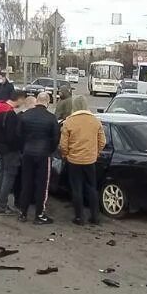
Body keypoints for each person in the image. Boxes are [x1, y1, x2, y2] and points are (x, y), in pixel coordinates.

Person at [59, 96, 106, 225]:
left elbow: (63, 145)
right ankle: (95, 217)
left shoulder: (69, 122)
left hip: (74, 161)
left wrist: (66, 155)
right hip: (90, 161)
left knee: (77, 189)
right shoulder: (95, 121)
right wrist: (95, 153)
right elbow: (102, 142)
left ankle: (79, 217)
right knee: (92, 188)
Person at [18, 91, 60, 225]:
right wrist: (50, 150)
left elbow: (19, 135)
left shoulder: (25, 116)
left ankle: (23, 212)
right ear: (47, 102)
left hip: (28, 153)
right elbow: (55, 138)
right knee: (42, 185)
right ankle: (39, 214)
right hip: (43, 155)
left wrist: (24, 148)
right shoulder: (51, 118)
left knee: (26, 183)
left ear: (37, 101)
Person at [0, 89, 24, 213]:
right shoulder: (10, 114)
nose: (23, 103)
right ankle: (2, 206)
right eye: (22, 100)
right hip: (10, 150)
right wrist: (19, 146)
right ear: (19, 99)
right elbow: (11, 137)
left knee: (3, 173)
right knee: (9, 176)